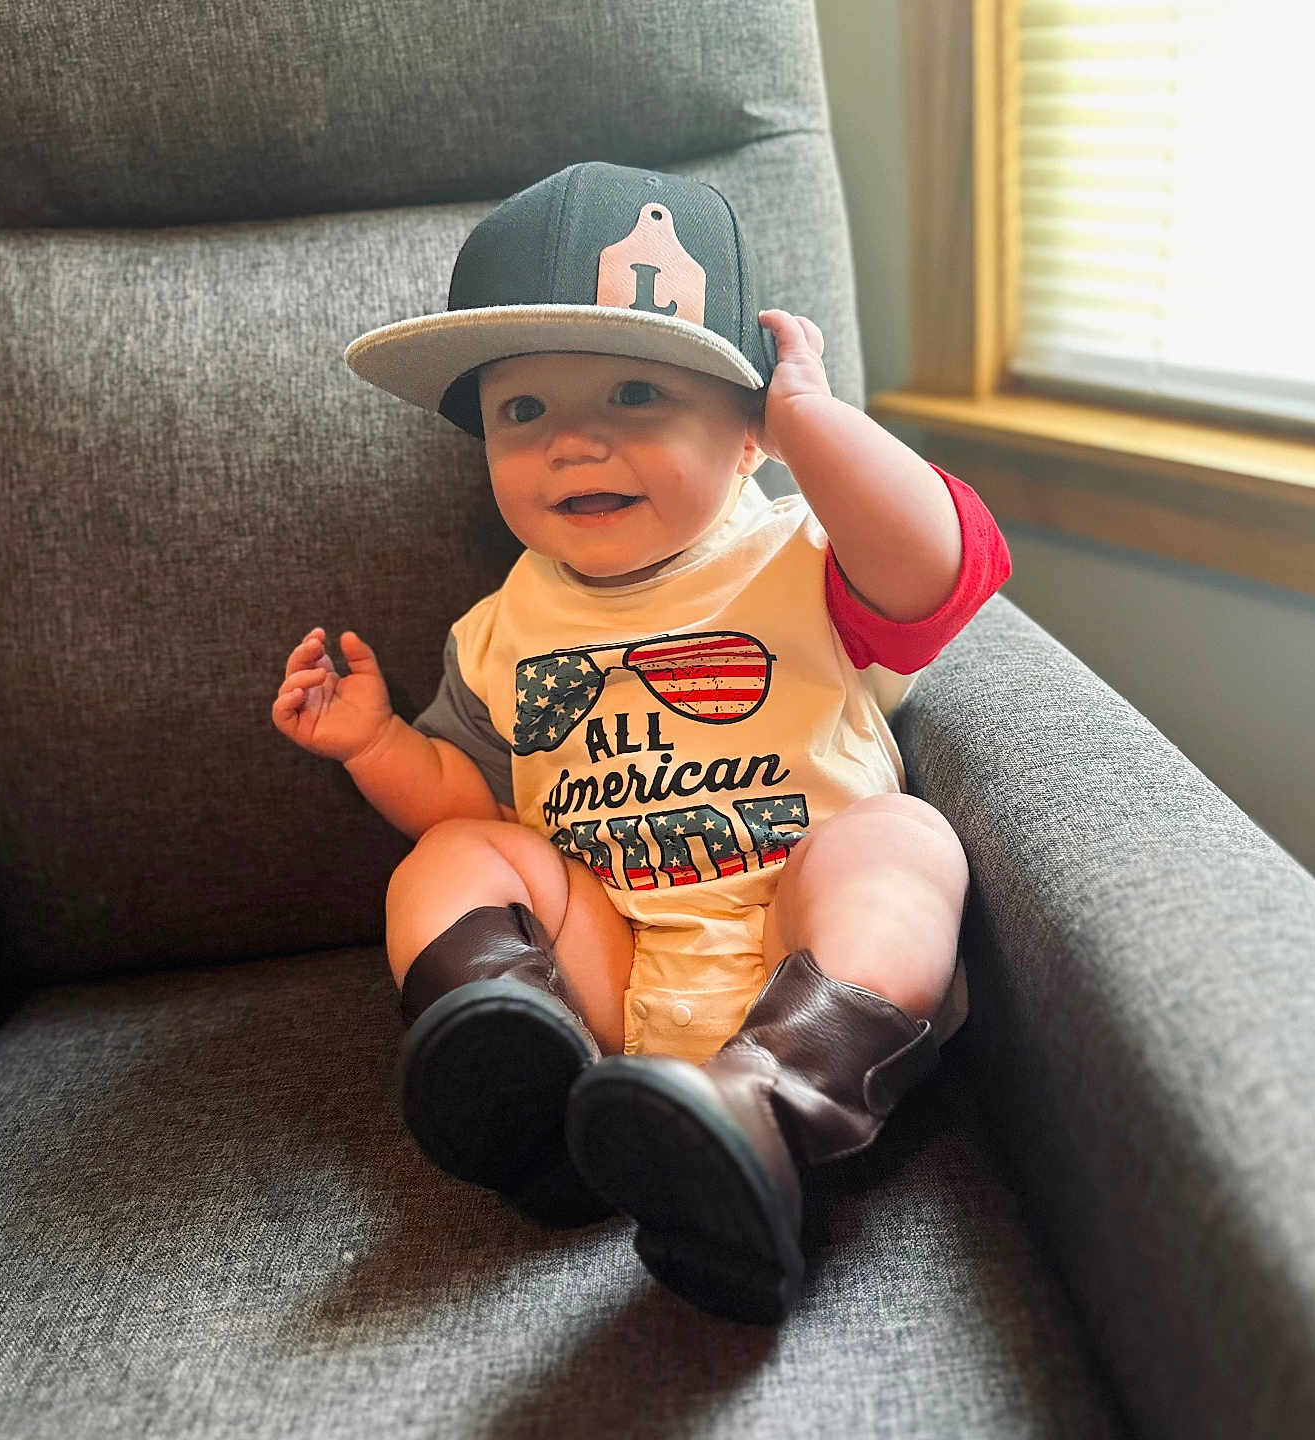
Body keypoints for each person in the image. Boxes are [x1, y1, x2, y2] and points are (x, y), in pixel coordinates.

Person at [271, 161, 1012, 1324]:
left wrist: (819, 427)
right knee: (449, 861)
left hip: (798, 954)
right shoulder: (499, 631)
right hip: (606, 974)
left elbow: (942, 570)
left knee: (901, 838)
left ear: (749, 436)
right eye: (524, 412)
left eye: (632, 396)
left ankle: (769, 1108)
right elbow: (468, 799)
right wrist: (373, 746)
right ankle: (539, 1087)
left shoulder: (806, 556)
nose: (571, 444)